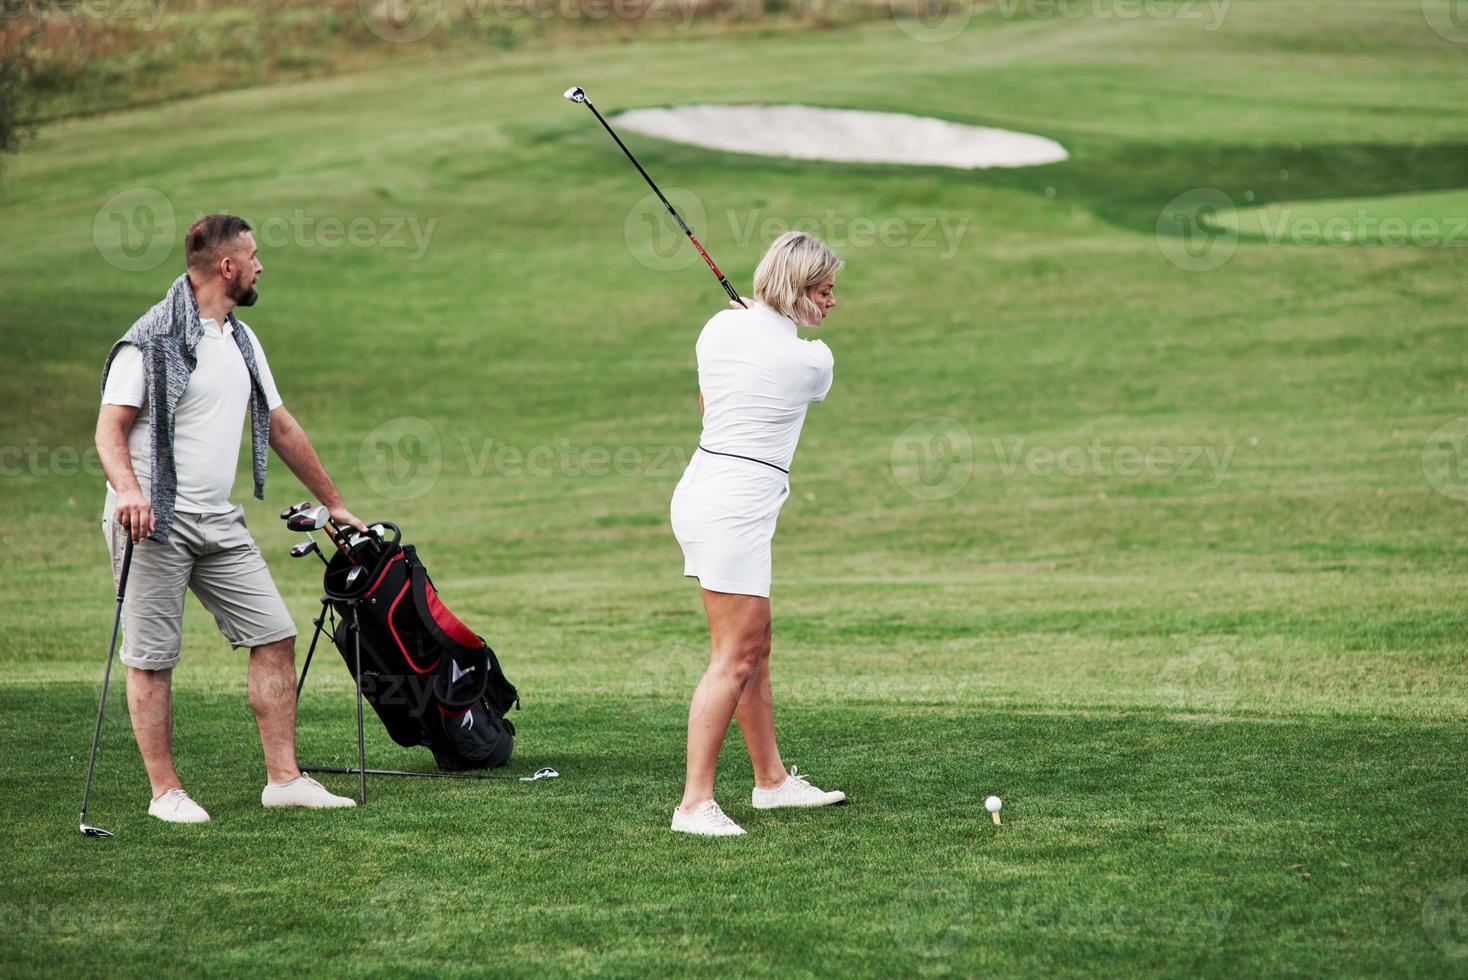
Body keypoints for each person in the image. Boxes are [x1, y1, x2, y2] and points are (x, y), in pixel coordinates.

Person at [95, 213, 363, 824]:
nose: (261, 264)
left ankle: (284, 780)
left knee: (274, 634)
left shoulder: (240, 339)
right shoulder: (151, 339)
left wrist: (336, 502)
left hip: (219, 521)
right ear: (227, 266)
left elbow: (280, 425)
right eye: (254, 255)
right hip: (152, 521)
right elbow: (108, 431)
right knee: (153, 657)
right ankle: (166, 792)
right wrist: (131, 492)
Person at [668, 231, 848, 837]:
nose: (832, 303)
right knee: (734, 656)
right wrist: (765, 327)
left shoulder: (718, 329)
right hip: (733, 510)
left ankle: (771, 782)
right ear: (798, 289)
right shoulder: (811, 360)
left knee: (754, 648)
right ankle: (694, 804)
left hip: (707, 490)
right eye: (824, 292)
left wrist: (750, 323)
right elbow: (786, 357)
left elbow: (708, 403)